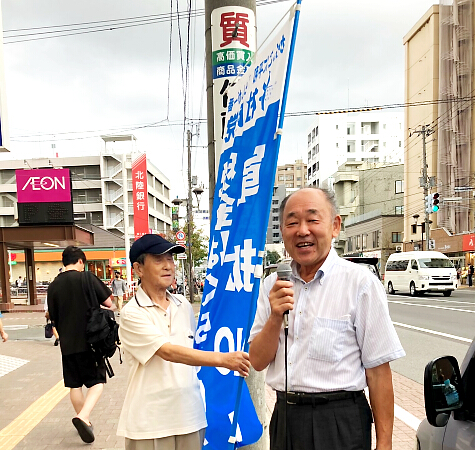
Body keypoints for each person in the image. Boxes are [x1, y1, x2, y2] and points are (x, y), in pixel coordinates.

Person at [249, 188, 405, 450]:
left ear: (335, 226)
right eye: (292, 222)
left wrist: (385, 444)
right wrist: (276, 316)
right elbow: (257, 360)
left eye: (312, 220)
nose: (302, 231)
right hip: (286, 418)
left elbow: (378, 373)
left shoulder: (360, 284)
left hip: (340, 421)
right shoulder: (272, 286)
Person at [117, 234, 250, 450]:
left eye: (170, 259)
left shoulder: (183, 305)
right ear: (139, 269)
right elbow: (168, 352)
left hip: (190, 417)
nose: (168, 266)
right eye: (159, 260)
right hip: (149, 423)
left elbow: (191, 351)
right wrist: (223, 359)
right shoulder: (132, 313)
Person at [48, 245, 113, 444]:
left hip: (67, 343)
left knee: (74, 385)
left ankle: (85, 420)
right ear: (81, 262)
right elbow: (109, 302)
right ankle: (83, 417)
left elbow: (53, 317)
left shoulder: (53, 286)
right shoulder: (86, 277)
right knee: (97, 383)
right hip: (90, 341)